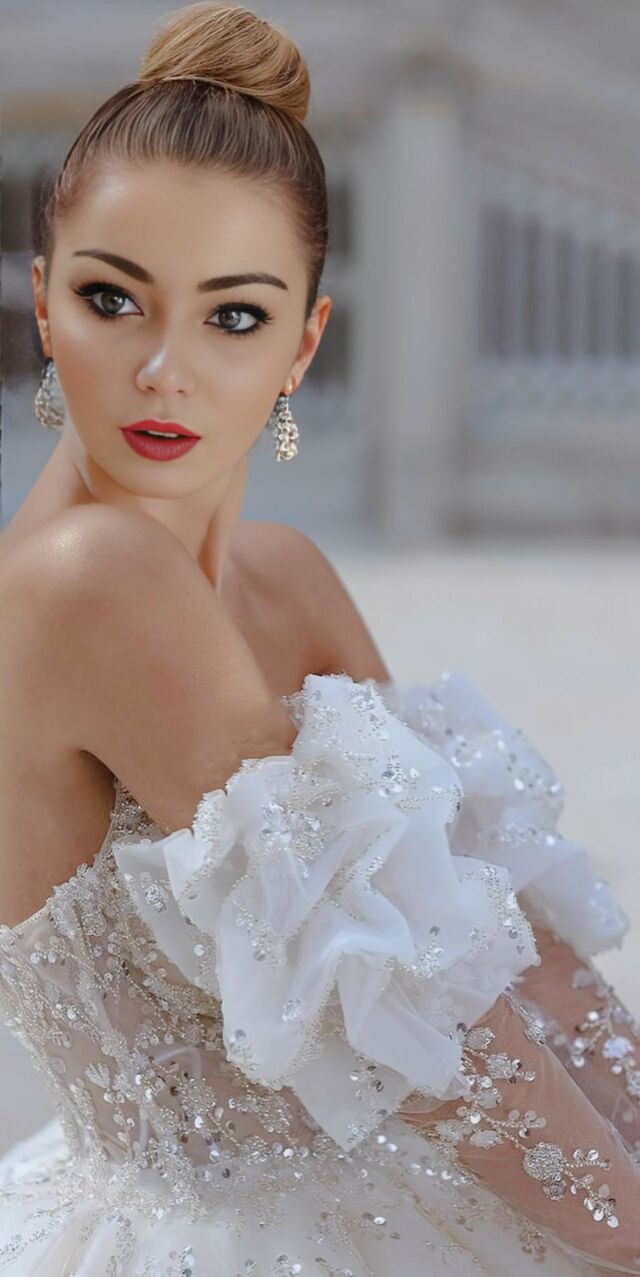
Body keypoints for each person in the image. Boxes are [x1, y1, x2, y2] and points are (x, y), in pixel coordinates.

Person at [0, 3, 638, 1272]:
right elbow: (393, 1003)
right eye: (113, 298)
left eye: (231, 315)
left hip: (416, 1194)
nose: (164, 368)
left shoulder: (284, 575)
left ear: (304, 342)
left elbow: (485, 934)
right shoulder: (87, 579)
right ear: (43, 303)